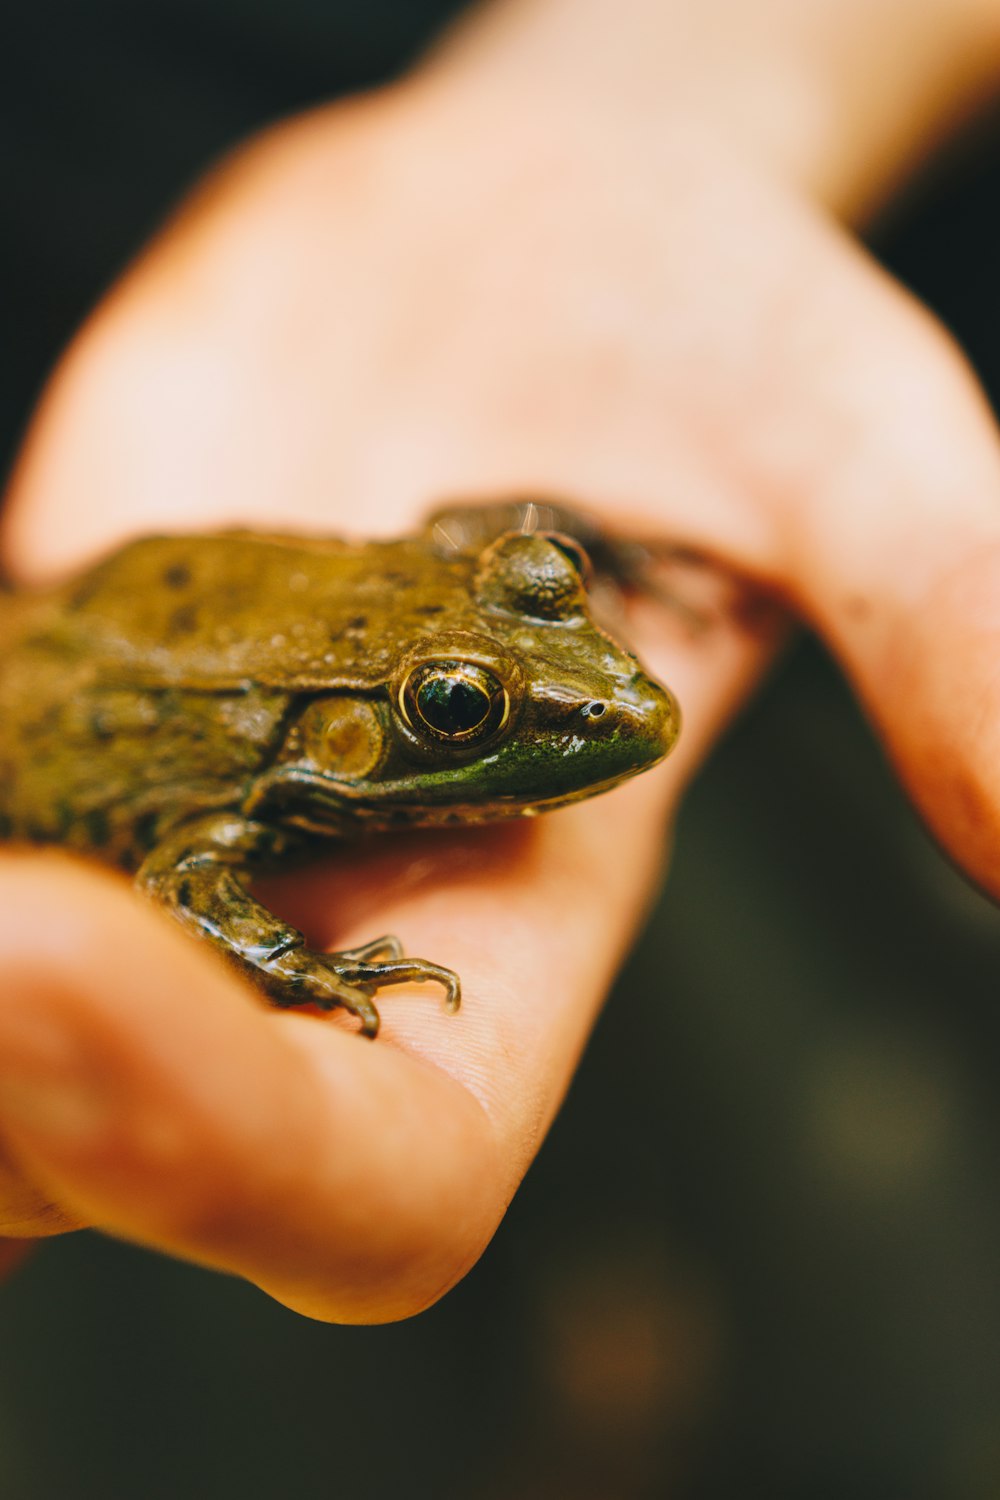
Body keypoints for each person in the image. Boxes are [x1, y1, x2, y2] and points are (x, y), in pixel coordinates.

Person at [1, 0, 1000, 1322]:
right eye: (462, 709)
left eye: (548, 595)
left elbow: (488, 531)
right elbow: (188, 879)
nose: (613, 691)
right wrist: (309, 972)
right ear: (357, 735)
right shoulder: (254, 777)